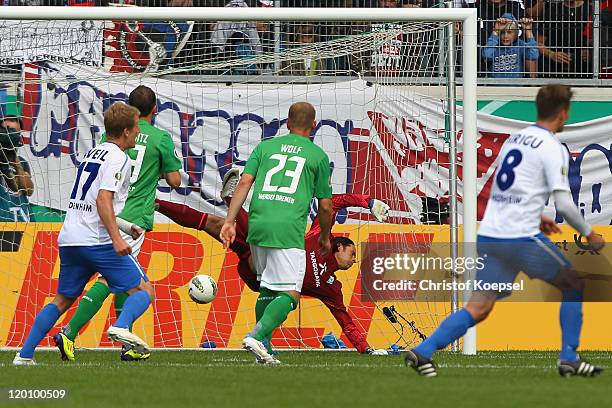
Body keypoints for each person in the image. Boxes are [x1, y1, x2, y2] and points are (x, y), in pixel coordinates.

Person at [405, 85, 606, 377]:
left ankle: (423, 351)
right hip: (519, 238)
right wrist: (589, 233)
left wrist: (536, 216)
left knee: (480, 307)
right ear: (563, 113)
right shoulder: (551, 146)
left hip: (491, 235)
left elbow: (507, 187)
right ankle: (569, 358)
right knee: (573, 284)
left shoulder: (517, 140)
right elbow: (563, 200)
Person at [156, 169, 391, 356]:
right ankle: (158, 204)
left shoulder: (331, 288)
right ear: (339, 246)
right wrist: (367, 201)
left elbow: (345, 319)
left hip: (260, 277)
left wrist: (366, 348)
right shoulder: (322, 238)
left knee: (287, 292)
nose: (353, 261)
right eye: (352, 254)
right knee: (216, 224)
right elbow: (333, 204)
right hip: (260, 257)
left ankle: (231, 198)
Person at [13, 102, 155, 365]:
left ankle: (24, 355)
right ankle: (122, 326)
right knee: (143, 290)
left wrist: (125, 227)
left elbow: (90, 202)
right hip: (97, 241)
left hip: (70, 239)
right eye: (136, 128)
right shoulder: (119, 158)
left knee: (62, 300)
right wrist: (116, 238)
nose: (138, 132)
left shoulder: (93, 153)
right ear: (125, 131)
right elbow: (102, 200)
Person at [53, 86, 182, 362]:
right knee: (113, 279)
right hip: (132, 220)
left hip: (107, 214)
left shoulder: (110, 138)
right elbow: (175, 181)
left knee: (126, 282)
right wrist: (155, 169)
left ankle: (128, 345)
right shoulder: (161, 139)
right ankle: (70, 332)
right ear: (155, 109)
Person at [220, 102, 333, 364]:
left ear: (287, 123)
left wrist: (230, 220)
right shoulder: (316, 156)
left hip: (258, 225)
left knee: (268, 287)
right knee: (291, 295)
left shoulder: (265, 147)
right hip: (287, 229)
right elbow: (325, 206)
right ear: (314, 126)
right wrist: (325, 237)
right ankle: (257, 336)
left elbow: (244, 182)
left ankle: (265, 350)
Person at [0, 99, 35, 222]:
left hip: (23, 219)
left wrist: (14, 159)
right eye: (7, 130)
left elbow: (28, 190)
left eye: (14, 132)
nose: (10, 135)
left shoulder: (22, 161)